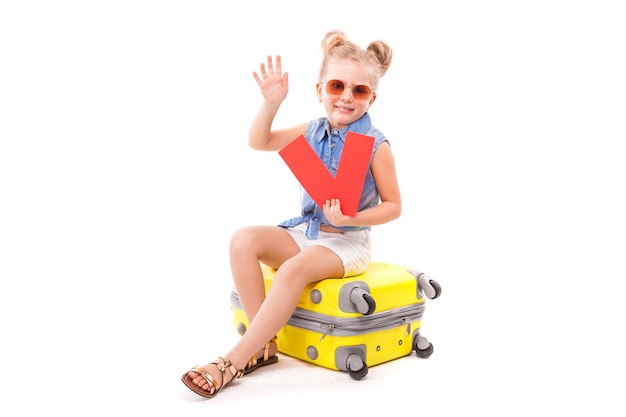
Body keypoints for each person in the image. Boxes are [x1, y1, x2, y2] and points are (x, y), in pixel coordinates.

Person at [181, 30, 400, 398]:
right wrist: (271, 104)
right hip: (309, 232)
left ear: (371, 98)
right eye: (336, 86)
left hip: (347, 241)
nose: (346, 97)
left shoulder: (376, 145)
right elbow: (260, 141)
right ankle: (263, 347)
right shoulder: (311, 131)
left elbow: (394, 207)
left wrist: (351, 219)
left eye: (359, 91)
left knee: (294, 269)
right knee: (243, 239)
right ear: (319, 90)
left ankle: (233, 360)